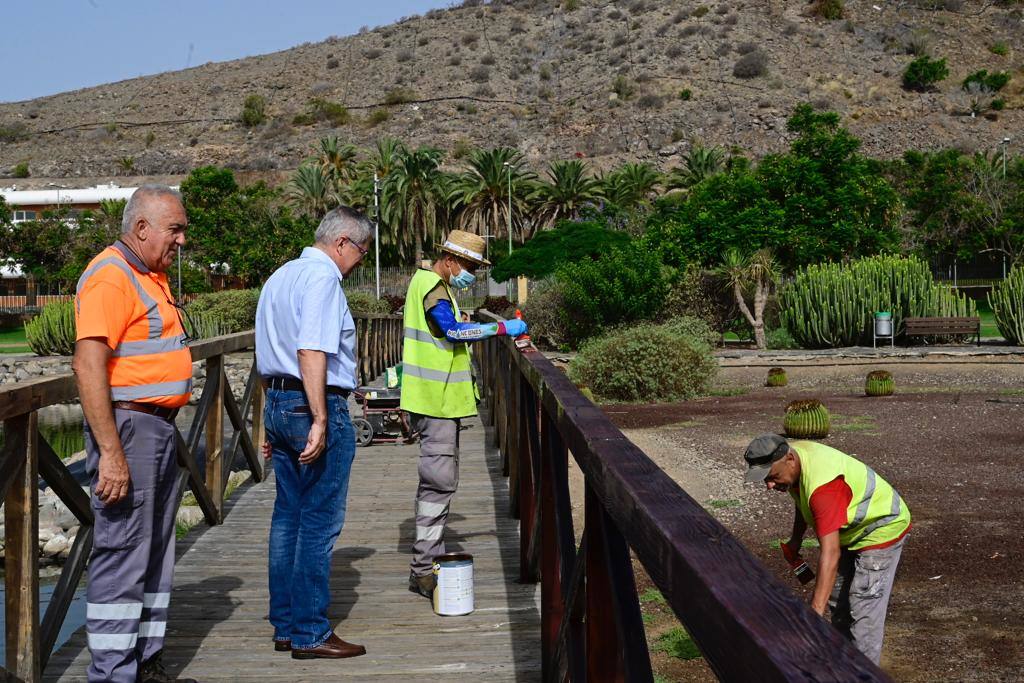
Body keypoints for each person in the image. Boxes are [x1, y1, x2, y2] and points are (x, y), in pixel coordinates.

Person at [73, 185, 196, 683]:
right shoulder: (111, 276)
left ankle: (145, 663)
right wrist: (111, 453)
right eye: (175, 229)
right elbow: (88, 365)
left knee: (153, 553)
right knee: (123, 554)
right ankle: (113, 674)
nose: (182, 240)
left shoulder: (149, 275)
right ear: (141, 228)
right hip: (130, 428)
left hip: (155, 429)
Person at [255, 206, 371, 660]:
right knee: (319, 521)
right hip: (311, 403)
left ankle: (285, 625)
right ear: (342, 242)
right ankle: (309, 632)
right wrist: (321, 418)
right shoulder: (323, 279)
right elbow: (310, 350)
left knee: (288, 517)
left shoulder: (281, 275)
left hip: (279, 401)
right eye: (361, 251)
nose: (359, 261)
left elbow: (267, 347)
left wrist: (272, 415)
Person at [401, 230, 527, 599]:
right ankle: (423, 570)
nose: (470, 272)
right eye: (469, 265)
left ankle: (427, 561)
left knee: (437, 483)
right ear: (450, 260)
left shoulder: (431, 285)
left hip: (434, 400)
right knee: (438, 484)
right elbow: (453, 331)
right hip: (434, 402)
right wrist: (502, 327)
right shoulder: (432, 287)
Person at [743, 434, 911, 665]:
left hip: (882, 526)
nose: (769, 486)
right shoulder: (795, 463)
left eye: (772, 477)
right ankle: (842, 666)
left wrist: (814, 614)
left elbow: (830, 554)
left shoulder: (824, 488)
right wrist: (796, 539)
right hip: (850, 530)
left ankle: (864, 674)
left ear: (789, 459)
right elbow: (802, 499)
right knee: (838, 601)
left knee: (864, 611)